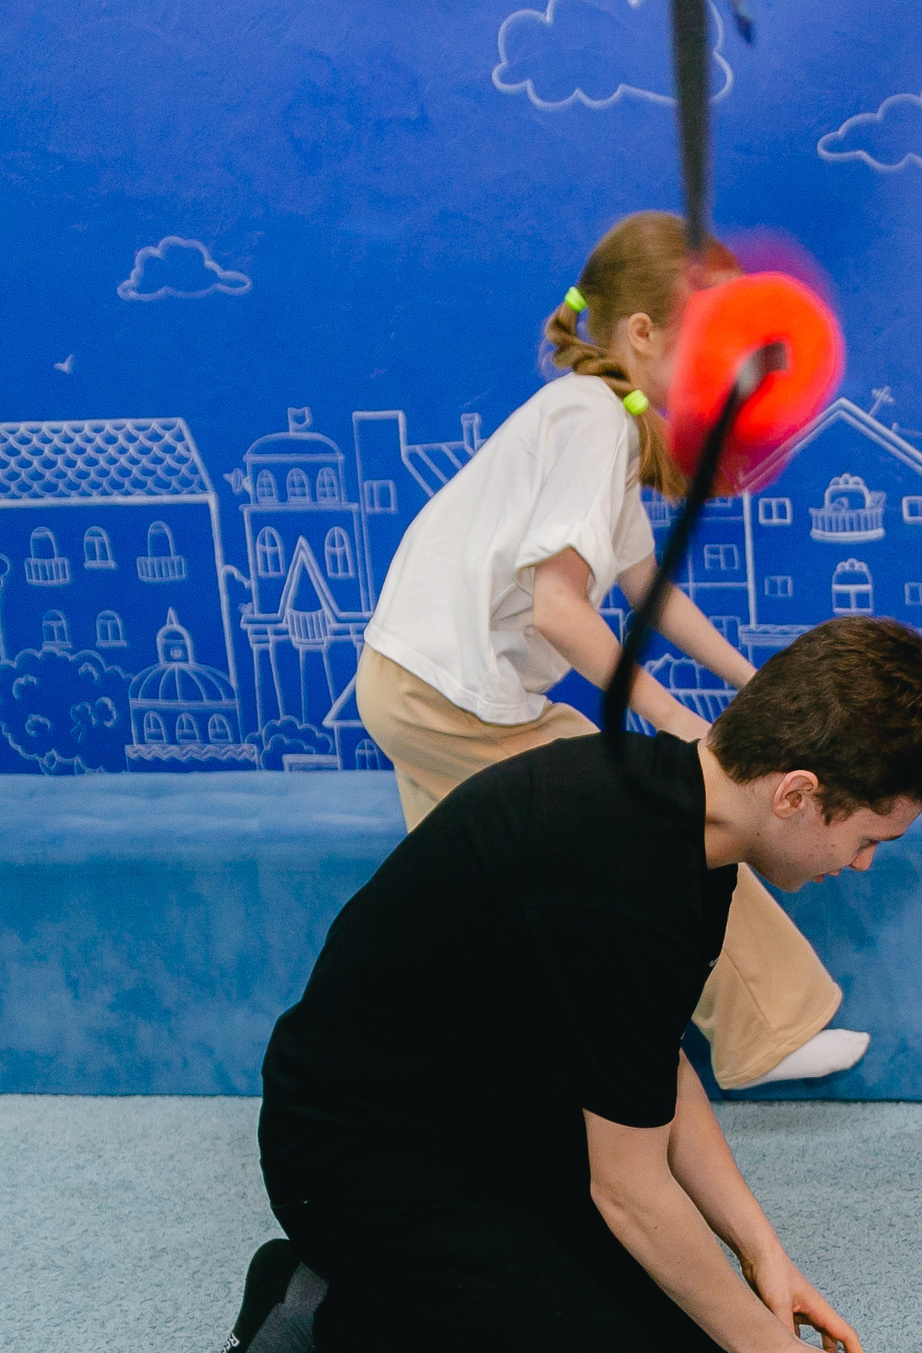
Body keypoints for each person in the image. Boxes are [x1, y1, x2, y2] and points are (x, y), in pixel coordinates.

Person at [200, 618, 922, 1353]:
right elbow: (630, 1190)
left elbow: (653, 1064)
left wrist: (762, 1254)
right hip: (360, 1157)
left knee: (699, 1340)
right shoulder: (623, 880)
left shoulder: (694, 819)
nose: (867, 864)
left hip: (493, 1111)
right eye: (870, 837)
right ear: (798, 795)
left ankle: (467, 1291)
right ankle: (323, 1311)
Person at [355, 210, 864, 1091]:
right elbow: (559, 608)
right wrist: (672, 727)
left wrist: (756, 682)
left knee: (466, 891)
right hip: (452, 694)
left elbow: (646, 589)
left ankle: (469, 1067)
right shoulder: (595, 422)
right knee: (669, 816)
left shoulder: (592, 415)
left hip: (408, 682)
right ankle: (768, 1030)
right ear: (641, 334)